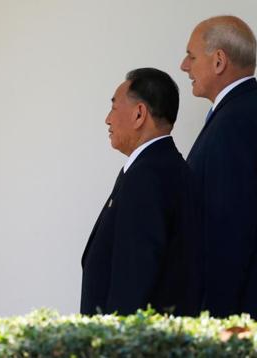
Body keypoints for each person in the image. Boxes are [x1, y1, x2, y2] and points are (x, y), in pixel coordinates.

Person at [180, 16, 257, 321]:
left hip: (243, 319)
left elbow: (227, 232)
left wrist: (212, 323)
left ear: (219, 61)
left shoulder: (236, 121)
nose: (184, 66)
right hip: (256, 309)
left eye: (191, 56)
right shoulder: (252, 110)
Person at [80, 68, 202, 316]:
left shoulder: (147, 176)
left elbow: (133, 281)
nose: (107, 119)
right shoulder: (166, 168)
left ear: (139, 114)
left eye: (114, 107)